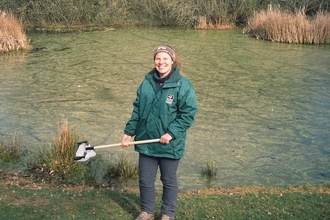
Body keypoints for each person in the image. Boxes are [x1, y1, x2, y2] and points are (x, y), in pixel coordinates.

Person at [121, 45, 197, 220]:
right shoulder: (146, 82)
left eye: (165, 58)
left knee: (168, 181)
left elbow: (188, 114)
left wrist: (171, 133)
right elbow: (137, 110)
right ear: (154, 60)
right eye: (158, 58)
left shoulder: (183, 85)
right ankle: (147, 212)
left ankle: (167, 214)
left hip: (170, 144)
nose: (161, 62)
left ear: (172, 60)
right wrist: (128, 133)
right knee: (145, 181)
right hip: (146, 141)